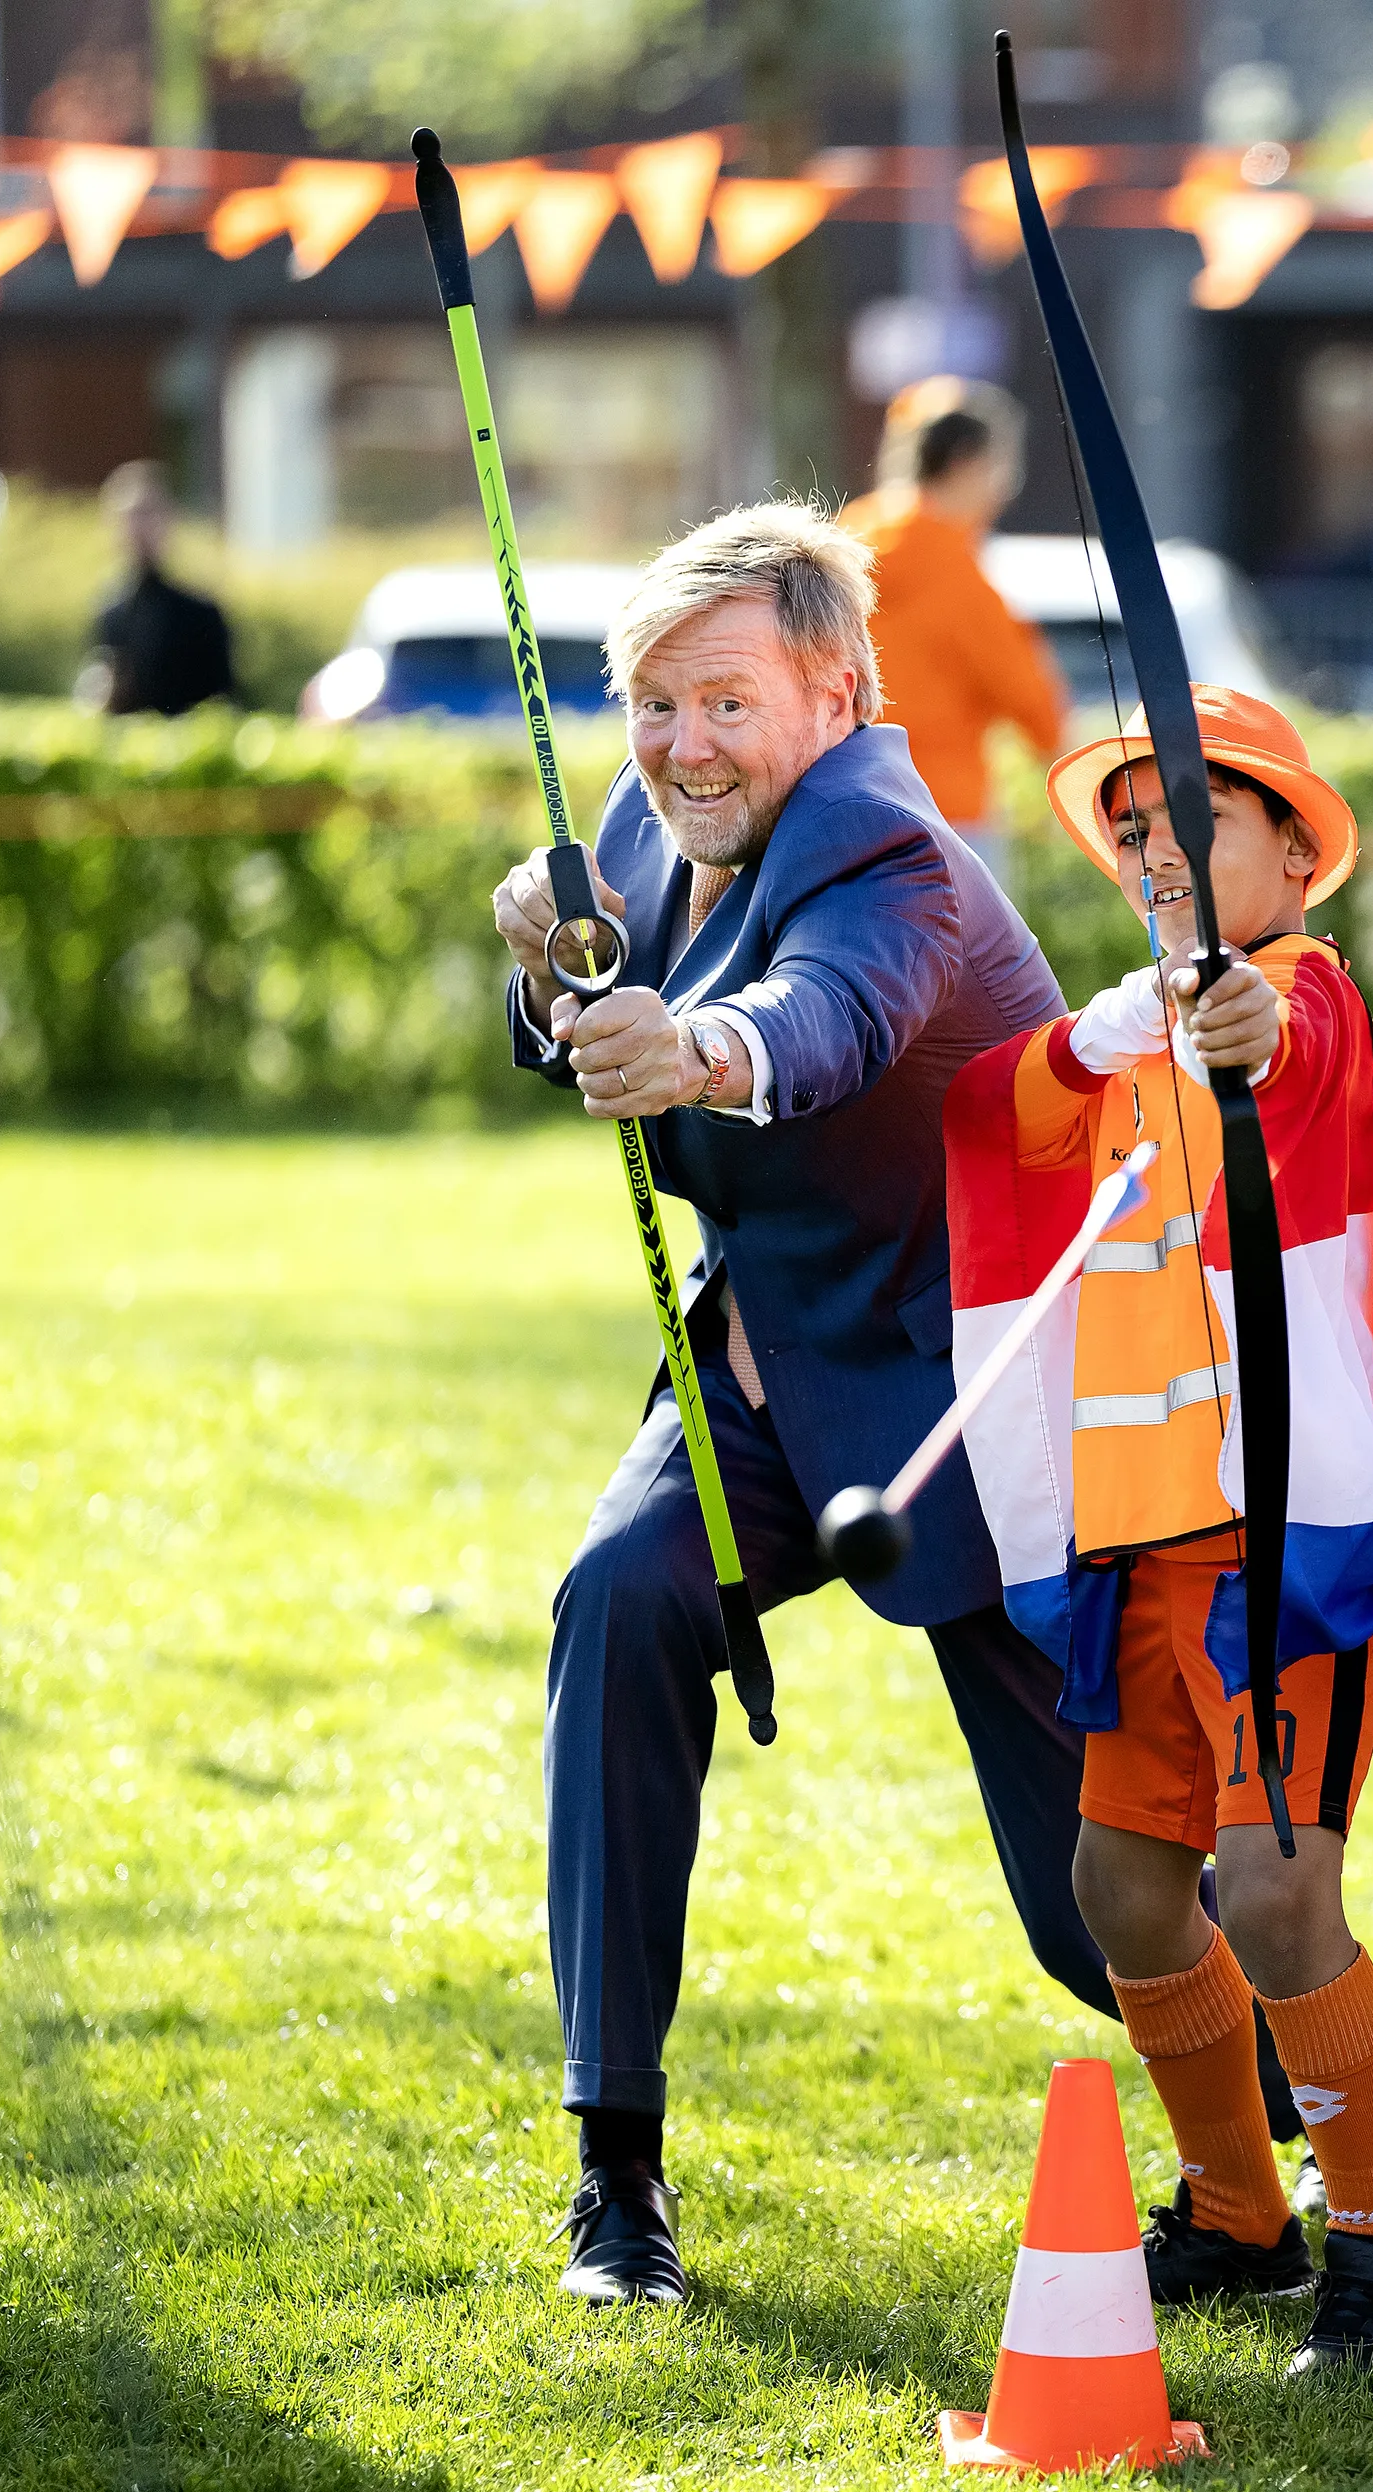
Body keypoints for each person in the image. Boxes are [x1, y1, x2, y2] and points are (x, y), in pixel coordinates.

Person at [485, 505, 1099, 2306]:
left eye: (727, 703)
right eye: (654, 704)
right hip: (758, 1365)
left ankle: (1341, 2055)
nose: (681, 746)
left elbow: (822, 1017)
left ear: (838, 694)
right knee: (619, 1594)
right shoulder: (637, 819)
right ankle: (616, 2177)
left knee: (1094, 1916)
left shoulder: (899, 856)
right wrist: (548, 968)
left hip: (964, 1396)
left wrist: (701, 1048)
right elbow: (582, 991)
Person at [984, 688, 1373, 2372]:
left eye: (1199, 818)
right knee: (1125, 1889)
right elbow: (1001, 1121)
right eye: (1134, 827)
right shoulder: (1122, 1042)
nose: (1159, 850)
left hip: (1288, 1546)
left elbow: (1296, 1044)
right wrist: (1109, 1036)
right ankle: (1236, 2207)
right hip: (1139, 1543)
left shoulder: (1305, 1003)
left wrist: (1235, 1015)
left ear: (1289, 849)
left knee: (1275, 1895)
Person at [836, 377, 1067, 862]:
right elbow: (1030, 698)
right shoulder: (953, 571)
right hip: (944, 810)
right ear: (966, 465)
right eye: (1000, 468)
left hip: (842, 797)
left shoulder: (847, 542)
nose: (1004, 490)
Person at [80, 461, 233, 716]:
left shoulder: (201, 614)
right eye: (131, 517)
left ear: (168, 521)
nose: (139, 529)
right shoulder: (109, 612)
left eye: (149, 515)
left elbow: (223, 701)